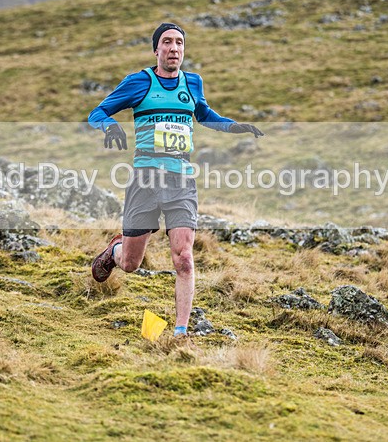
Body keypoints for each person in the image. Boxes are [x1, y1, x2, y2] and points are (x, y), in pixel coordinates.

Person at [88, 22, 263, 337]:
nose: (174, 48)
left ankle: (181, 332)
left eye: (179, 43)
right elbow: (97, 112)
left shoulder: (193, 83)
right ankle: (115, 250)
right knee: (131, 264)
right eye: (167, 42)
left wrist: (234, 126)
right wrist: (110, 126)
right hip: (145, 180)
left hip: (181, 180)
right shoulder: (140, 82)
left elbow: (206, 115)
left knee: (183, 256)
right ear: (156, 50)